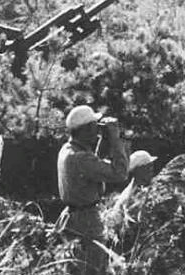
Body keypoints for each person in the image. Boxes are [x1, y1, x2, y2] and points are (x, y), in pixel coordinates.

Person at [56, 105, 129, 274]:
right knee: (94, 268)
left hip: (72, 217)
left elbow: (93, 165)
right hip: (86, 221)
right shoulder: (80, 158)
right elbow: (120, 173)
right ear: (86, 129)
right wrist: (115, 140)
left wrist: (103, 140)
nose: (97, 130)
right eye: (95, 126)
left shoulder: (68, 150)